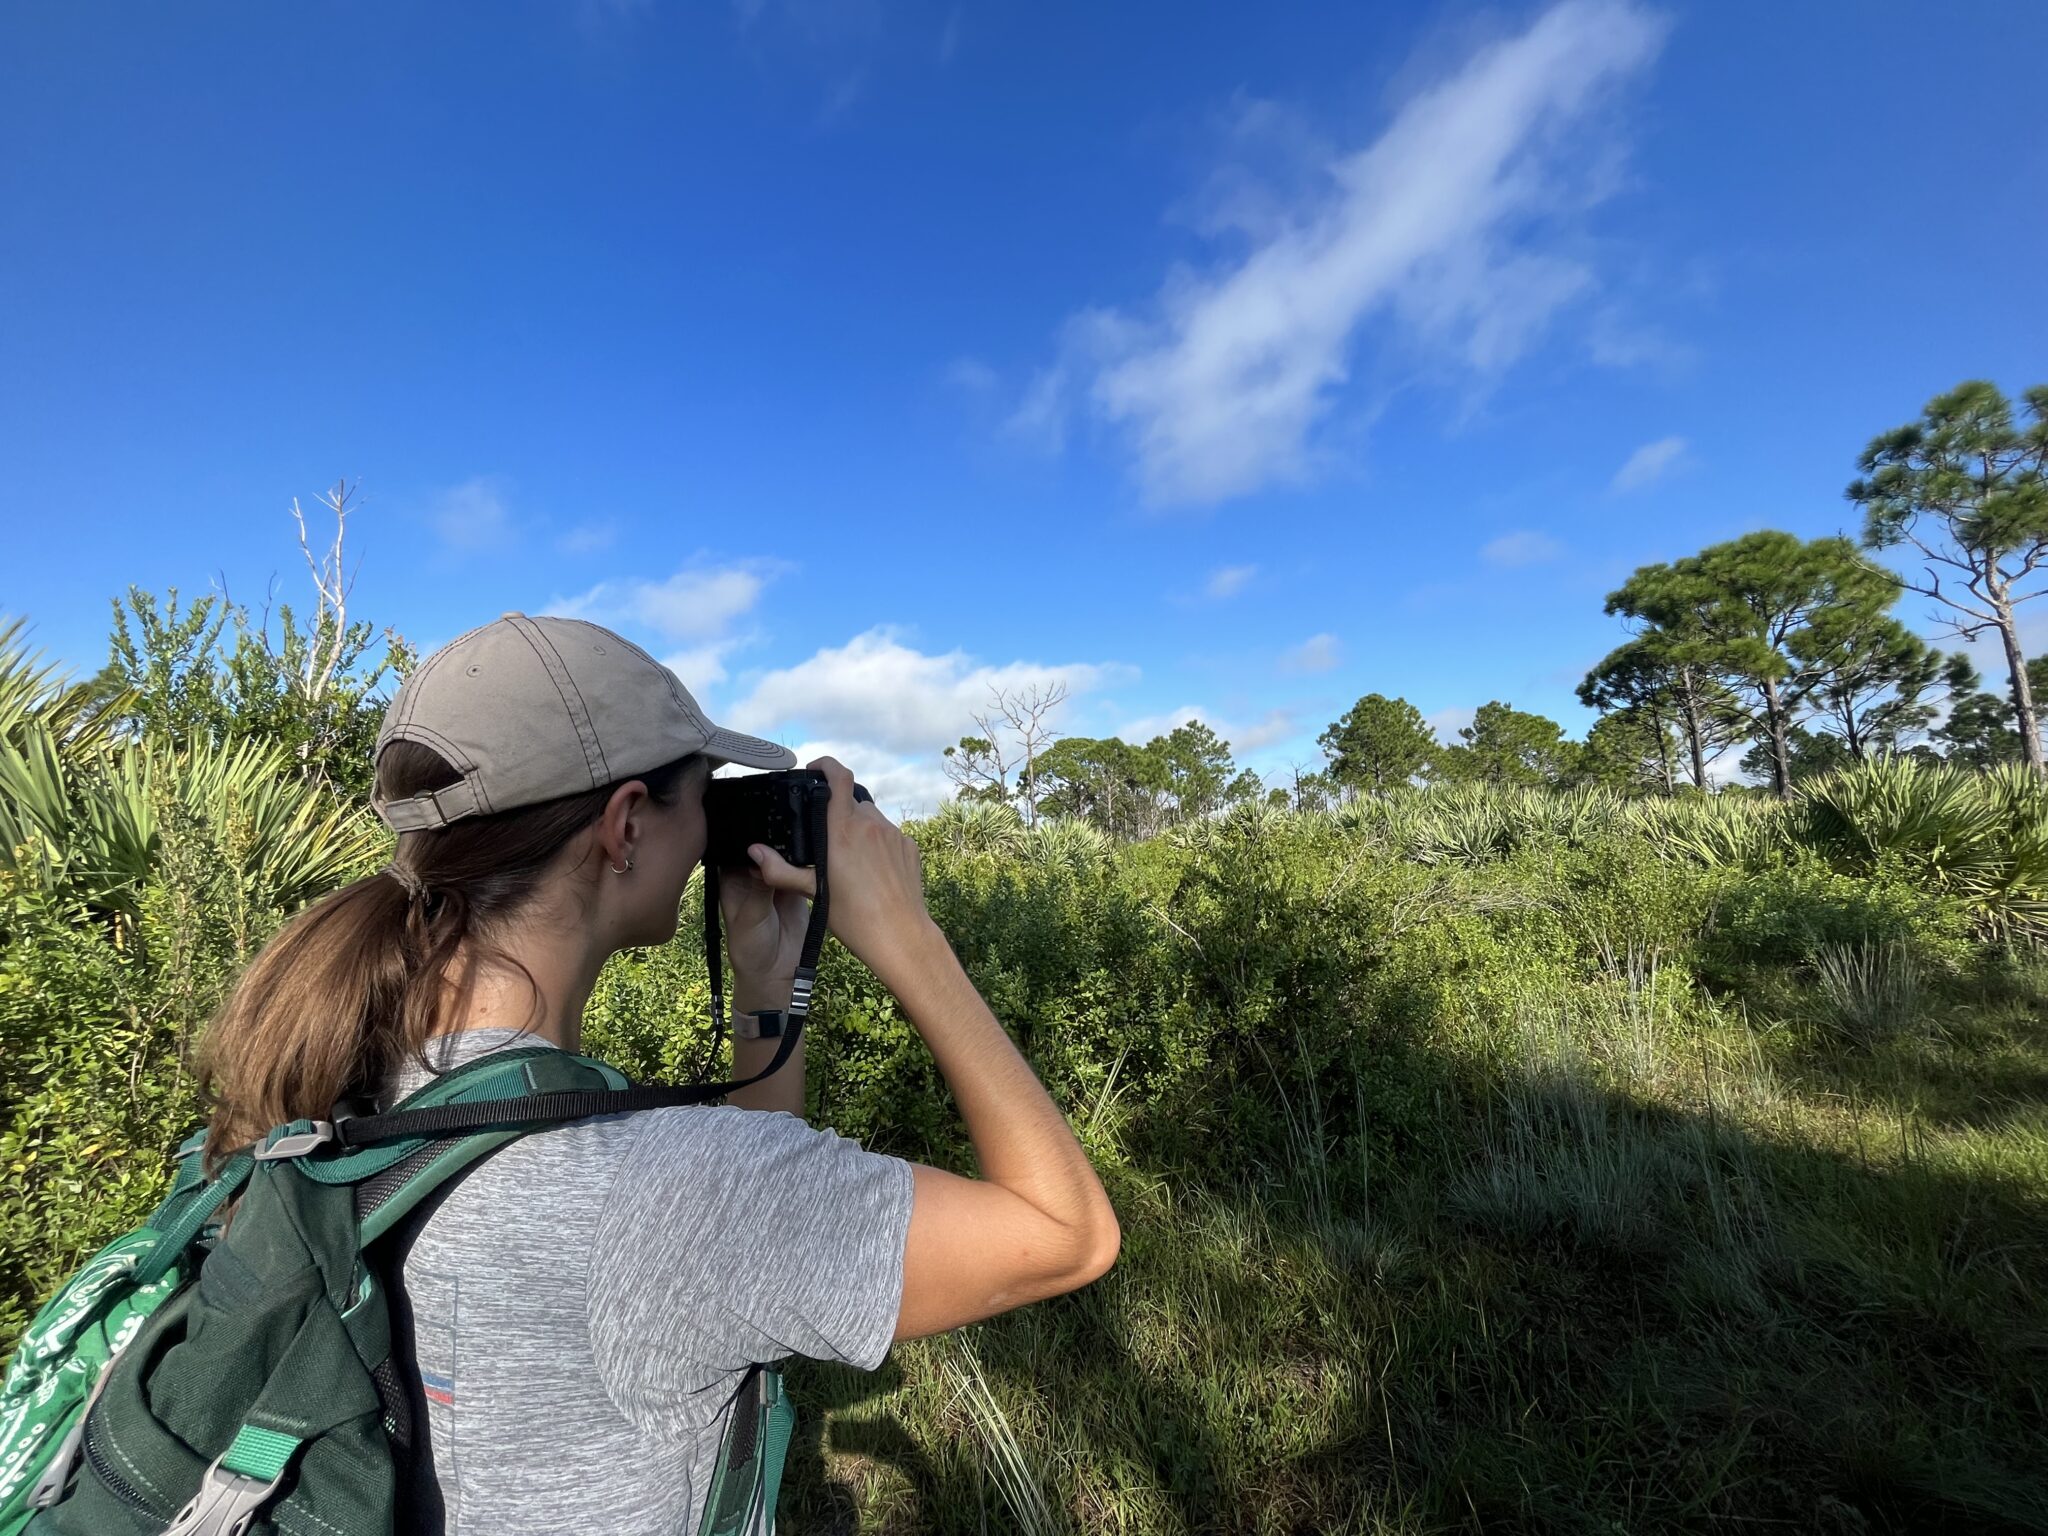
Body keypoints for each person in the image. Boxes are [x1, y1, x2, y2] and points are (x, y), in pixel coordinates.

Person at [193, 611, 1121, 1535]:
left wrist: (765, 976)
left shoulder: (342, 1080)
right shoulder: (658, 1187)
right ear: (626, 823)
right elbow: (1067, 1235)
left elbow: (735, 1231)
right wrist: (909, 936)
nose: (712, 830)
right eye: (703, 794)